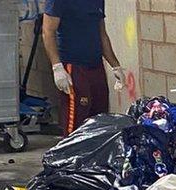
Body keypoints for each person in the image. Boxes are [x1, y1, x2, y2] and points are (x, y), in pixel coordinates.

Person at [42, 0, 125, 136]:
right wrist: (57, 67)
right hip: (73, 66)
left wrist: (116, 66)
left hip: (96, 65)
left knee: (100, 118)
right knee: (77, 121)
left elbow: (102, 34)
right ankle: (72, 154)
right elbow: (48, 32)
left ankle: (96, 155)